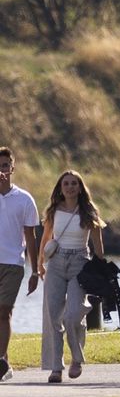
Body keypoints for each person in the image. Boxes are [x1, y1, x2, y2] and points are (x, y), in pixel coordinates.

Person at [37, 171, 106, 383]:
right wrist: (40, 263)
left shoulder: (89, 210)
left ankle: (77, 357)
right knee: (53, 316)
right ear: (60, 187)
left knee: (74, 314)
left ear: (80, 187)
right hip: (56, 262)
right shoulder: (53, 210)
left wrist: (101, 269)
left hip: (80, 263)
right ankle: (55, 367)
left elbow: (98, 244)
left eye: (74, 183)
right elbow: (47, 237)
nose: (70, 187)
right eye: (66, 184)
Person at [0, 147, 40, 382]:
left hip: (13, 263)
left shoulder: (24, 199)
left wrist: (35, 271)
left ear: (12, 168)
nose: (2, 170)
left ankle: (1, 362)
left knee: (4, 311)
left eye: (6, 165)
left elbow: (31, 237)